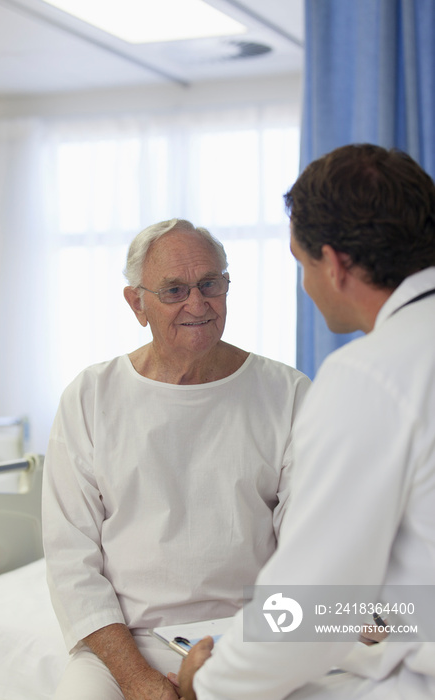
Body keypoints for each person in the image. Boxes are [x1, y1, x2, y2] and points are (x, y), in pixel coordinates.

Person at [176, 144, 435, 700]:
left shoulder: (369, 376)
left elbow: (312, 598)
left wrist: (211, 682)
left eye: (301, 264)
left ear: (334, 264)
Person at [42, 218, 310, 700]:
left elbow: (308, 543)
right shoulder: (91, 396)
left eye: (211, 284)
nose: (198, 303)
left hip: (249, 633)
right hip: (124, 642)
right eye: (174, 290)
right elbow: (70, 561)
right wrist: (138, 679)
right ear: (136, 303)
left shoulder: (287, 393)